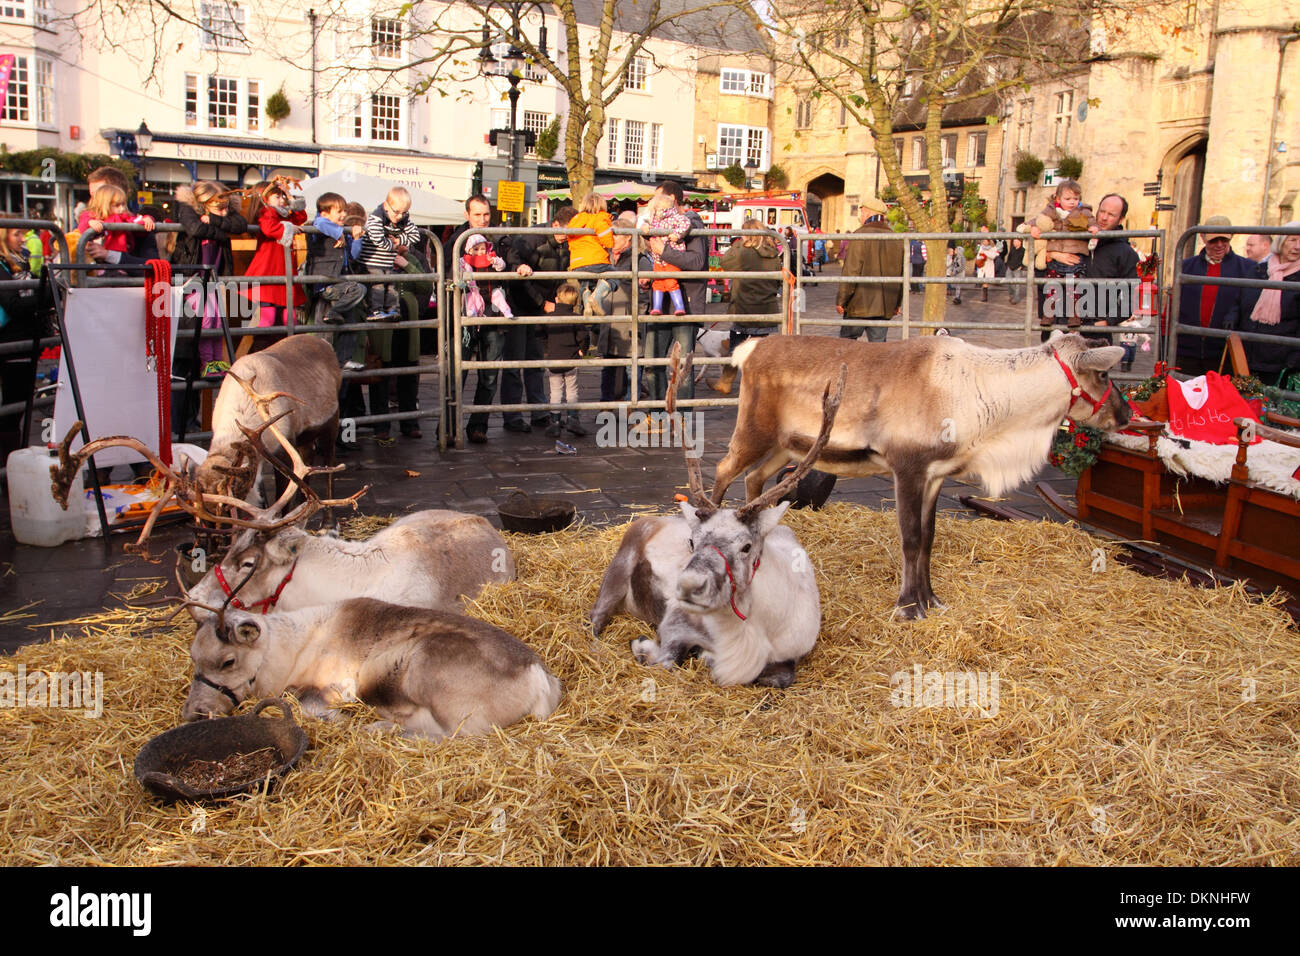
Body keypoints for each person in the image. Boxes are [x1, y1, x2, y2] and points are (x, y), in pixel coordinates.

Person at [501, 206, 568, 434]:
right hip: (518, 304)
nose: (568, 238)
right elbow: (515, 272)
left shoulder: (564, 243)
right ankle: (512, 416)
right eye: (566, 232)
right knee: (515, 361)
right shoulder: (531, 238)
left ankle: (539, 412)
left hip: (541, 304)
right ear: (556, 224)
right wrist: (543, 302)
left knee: (536, 359)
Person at [1175, 216, 1264, 377]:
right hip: (1187, 350)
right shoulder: (1186, 266)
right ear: (1202, 238)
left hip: (1226, 352)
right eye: (1214, 240)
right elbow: (1173, 307)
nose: (1219, 245)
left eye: (1224, 239)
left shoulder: (1248, 269)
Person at [642, 182, 707, 403]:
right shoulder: (656, 224)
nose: (653, 204)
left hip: (685, 303)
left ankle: (683, 419)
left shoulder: (693, 226)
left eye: (658, 199)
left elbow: (697, 262)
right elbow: (655, 260)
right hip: (659, 303)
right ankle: (658, 414)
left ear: (671, 199)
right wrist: (647, 278)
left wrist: (665, 251)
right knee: (651, 363)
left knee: (683, 368)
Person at [1020, 179, 1098, 338]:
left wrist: (1093, 228)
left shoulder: (1083, 212)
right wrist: (1033, 228)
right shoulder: (1051, 211)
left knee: (1073, 287)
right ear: (1058, 199)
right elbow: (1036, 221)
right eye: (1068, 199)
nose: (1072, 202)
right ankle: (1048, 315)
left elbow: (1092, 221)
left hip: (1075, 255)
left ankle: (1074, 315)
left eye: (1075, 199)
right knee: (1051, 285)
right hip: (1055, 255)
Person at [714, 219, 782, 393]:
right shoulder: (774, 253)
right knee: (764, 352)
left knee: (736, 348)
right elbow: (777, 282)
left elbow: (725, 263)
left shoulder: (744, 252)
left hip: (744, 309)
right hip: (767, 310)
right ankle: (765, 386)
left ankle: (726, 381)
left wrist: (738, 244)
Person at [0, 225, 49, 461]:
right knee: (13, 407)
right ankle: (9, 466)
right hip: (13, 342)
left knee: (17, 407)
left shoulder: (18, 262)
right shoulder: (3, 267)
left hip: (22, 342)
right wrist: (47, 297)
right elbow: (13, 305)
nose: (24, 239)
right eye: (17, 234)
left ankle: (10, 464)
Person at [303, 191, 366, 372]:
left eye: (344, 211)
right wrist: (339, 233)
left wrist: (356, 238)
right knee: (359, 289)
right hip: (326, 284)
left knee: (351, 325)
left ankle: (343, 359)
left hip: (341, 286)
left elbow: (354, 255)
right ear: (325, 213)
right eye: (338, 211)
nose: (343, 215)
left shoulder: (343, 231)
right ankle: (320, 363)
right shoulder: (321, 226)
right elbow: (319, 223)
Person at [1235, 224, 1300, 383]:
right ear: (1281, 241)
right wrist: (1232, 317)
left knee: (1270, 404)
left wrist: (1295, 357)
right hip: (1247, 353)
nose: (1297, 247)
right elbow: (1240, 299)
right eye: (1292, 240)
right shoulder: (1259, 270)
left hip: (1280, 360)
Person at [837, 197, 903, 342]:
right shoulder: (896, 238)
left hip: (858, 304)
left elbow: (851, 270)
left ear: (866, 213)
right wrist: (897, 302)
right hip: (884, 304)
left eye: (861, 213)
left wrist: (842, 299)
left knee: (846, 347)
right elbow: (901, 273)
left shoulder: (860, 235)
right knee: (878, 352)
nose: (861, 217)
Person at [1087, 193, 1141, 367]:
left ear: (1121, 218)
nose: (1103, 217)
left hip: (1098, 332)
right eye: (1102, 211)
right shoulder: (1080, 240)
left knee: (1095, 387)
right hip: (1067, 325)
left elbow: (1130, 299)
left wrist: (1107, 322)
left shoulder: (1125, 253)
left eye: (1111, 215)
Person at [596, 211, 640, 403]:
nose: (611, 239)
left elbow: (644, 288)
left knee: (632, 366)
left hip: (627, 317)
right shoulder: (605, 256)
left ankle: (632, 407)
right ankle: (605, 404)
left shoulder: (638, 258)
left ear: (628, 237)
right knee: (608, 366)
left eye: (616, 235)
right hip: (609, 317)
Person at [541, 282, 590, 437]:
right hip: (571, 359)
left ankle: (555, 421)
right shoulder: (576, 318)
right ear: (575, 302)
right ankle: (572, 418)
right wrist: (582, 349)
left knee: (555, 391)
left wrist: (546, 348)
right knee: (572, 390)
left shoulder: (549, 318)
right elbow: (584, 336)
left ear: (556, 299)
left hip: (553, 359)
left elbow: (540, 333)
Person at [641, 196, 692, 315]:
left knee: (670, 281)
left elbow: (686, 224)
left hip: (671, 257)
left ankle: (679, 307)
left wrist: (678, 234)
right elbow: (644, 222)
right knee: (657, 282)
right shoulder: (655, 220)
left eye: (654, 209)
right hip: (658, 258)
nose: (652, 212)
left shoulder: (676, 218)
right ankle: (657, 308)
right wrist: (644, 227)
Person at [567, 192, 617, 315]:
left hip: (577, 263)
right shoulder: (599, 217)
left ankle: (587, 306)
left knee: (586, 283)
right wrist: (610, 243)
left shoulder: (576, 219)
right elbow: (605, 236)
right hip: (596, 260)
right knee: (616, 276)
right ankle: (597, 296)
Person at [77, 184, 156, 258]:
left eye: (123, 204)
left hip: (118, 257)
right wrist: (90, 222)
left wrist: (147, 219)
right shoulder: (92, 216)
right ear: (104, 205)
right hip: (94, 257)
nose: (122, 209)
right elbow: (82, 226)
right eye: (117, 205)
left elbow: (137, 222)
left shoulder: (125, 217)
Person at [975, 227, 1000, 301]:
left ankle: (985, 295)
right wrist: (981, 257)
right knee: (982, 280)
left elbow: (994, 255)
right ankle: (984, 294)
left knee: (986, 280)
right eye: (983, 241)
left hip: (989, 265)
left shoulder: (992, 247)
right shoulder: (981, 247)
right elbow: (978, 255)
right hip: (982, 265)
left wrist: (985, 253)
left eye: (986, 241)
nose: (984, 242)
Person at [1005, 237, 1027, 304]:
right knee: (1008, 282)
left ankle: (1016, 298)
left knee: (1017, 284)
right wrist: (1008, 265)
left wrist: (1021, 266)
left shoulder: (1023, 250)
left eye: (1015, 241)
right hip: (1010, 267)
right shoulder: (1012, 249)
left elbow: (1025, 260)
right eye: (1014, 241)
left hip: (1017, 269)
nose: (1014, 243)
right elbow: (1009, 257)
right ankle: (1012, 294)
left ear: (1020, 242)